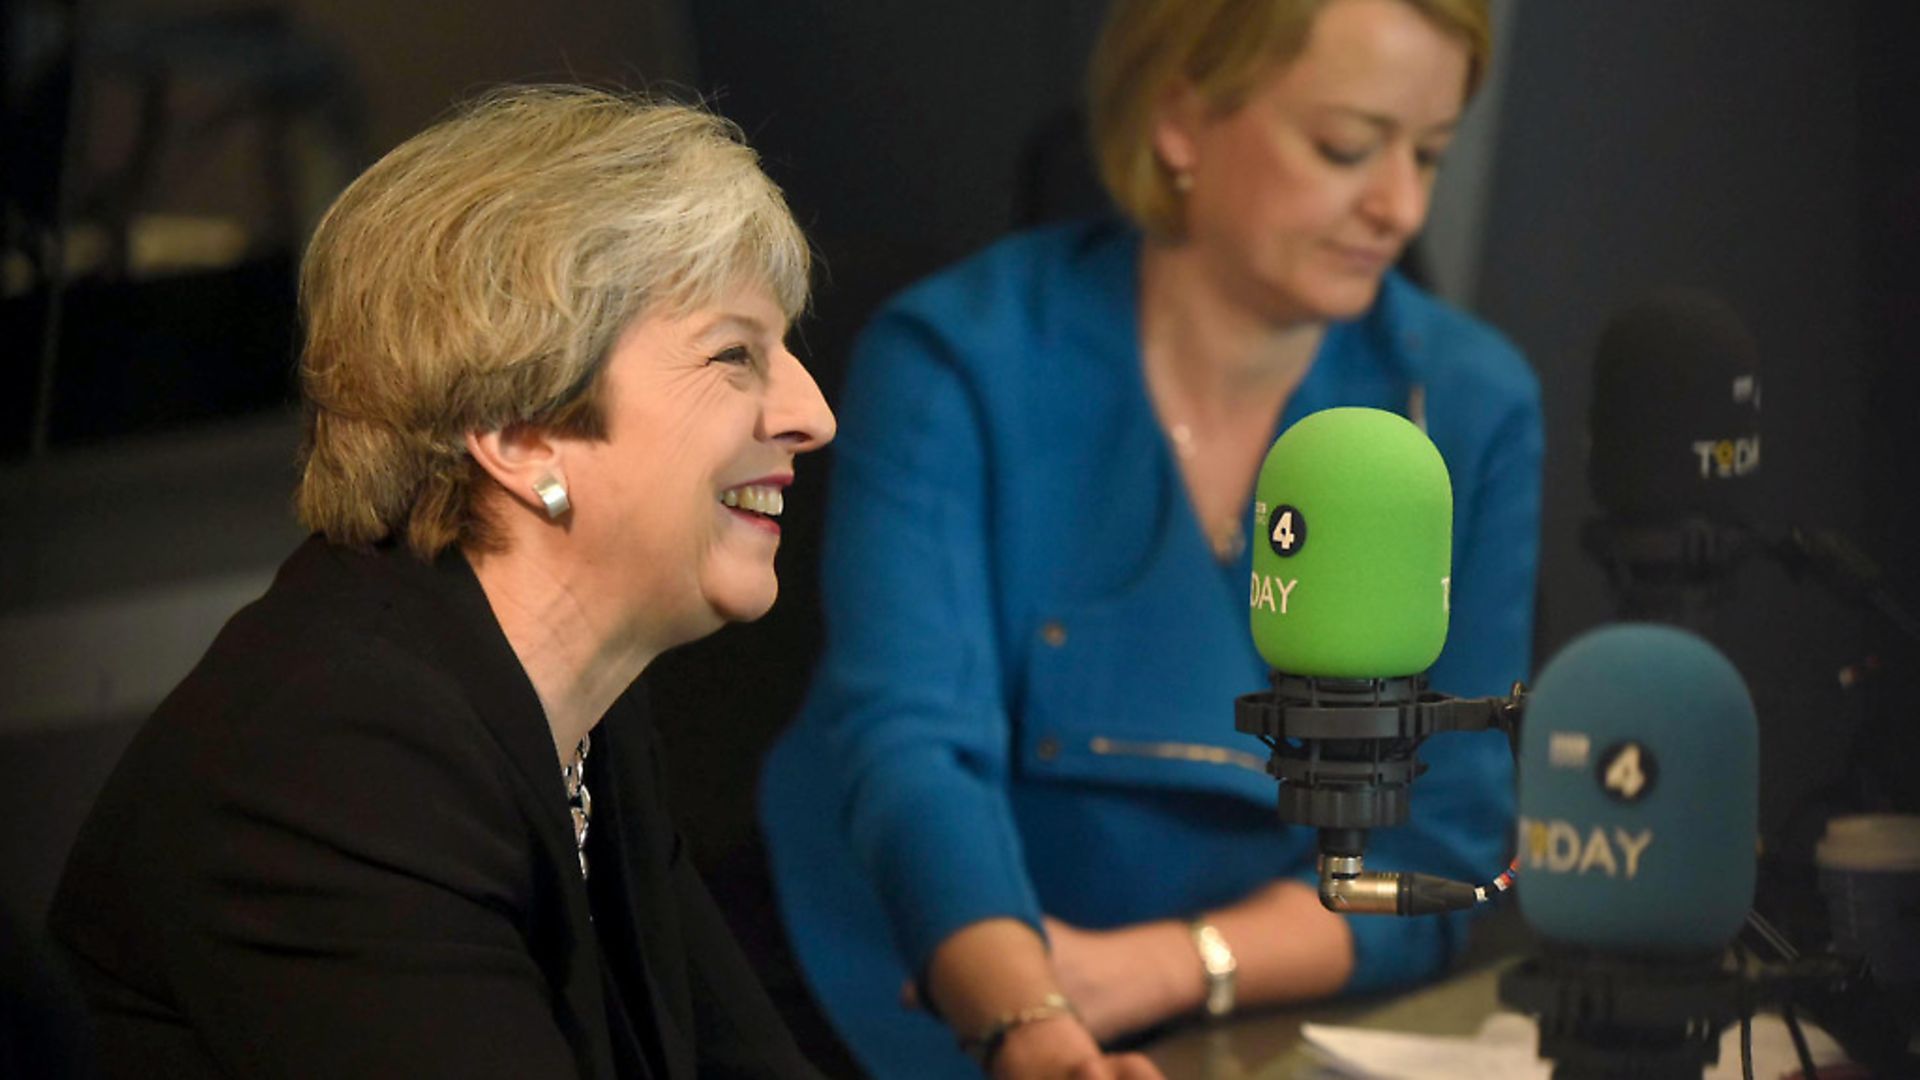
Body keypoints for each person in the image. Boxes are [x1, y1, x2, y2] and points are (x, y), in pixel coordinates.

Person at [759, 0, 1542, 1075]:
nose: (1399, 207)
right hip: (928, 989)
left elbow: (1440, 844)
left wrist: (1171, 966)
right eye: (1346, 148)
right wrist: (1028, 1016)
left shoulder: (1469, 403)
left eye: (1432, 154)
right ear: (1181, 118)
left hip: (1257, 1013)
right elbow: (914, 750)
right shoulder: (957, 360)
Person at [48, 85, 836, 1079]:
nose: (812, 413)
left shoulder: (579, 713)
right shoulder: (333, 757)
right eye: (735, 354)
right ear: (518, 429)